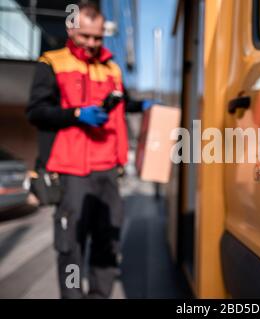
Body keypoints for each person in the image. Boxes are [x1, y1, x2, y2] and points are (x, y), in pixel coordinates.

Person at [26, 1, 156, 298]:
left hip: (108, 169)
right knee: (71, 245)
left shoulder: (112, 69)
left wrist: (143, 105)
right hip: (72, 171)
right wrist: (75, 114)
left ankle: (99, 295)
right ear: (72, 29)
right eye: (85, 36)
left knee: (107, 242)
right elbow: (36, 112)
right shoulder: (52, 62)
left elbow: (122, 104)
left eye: (98, 37)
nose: (92, 43)